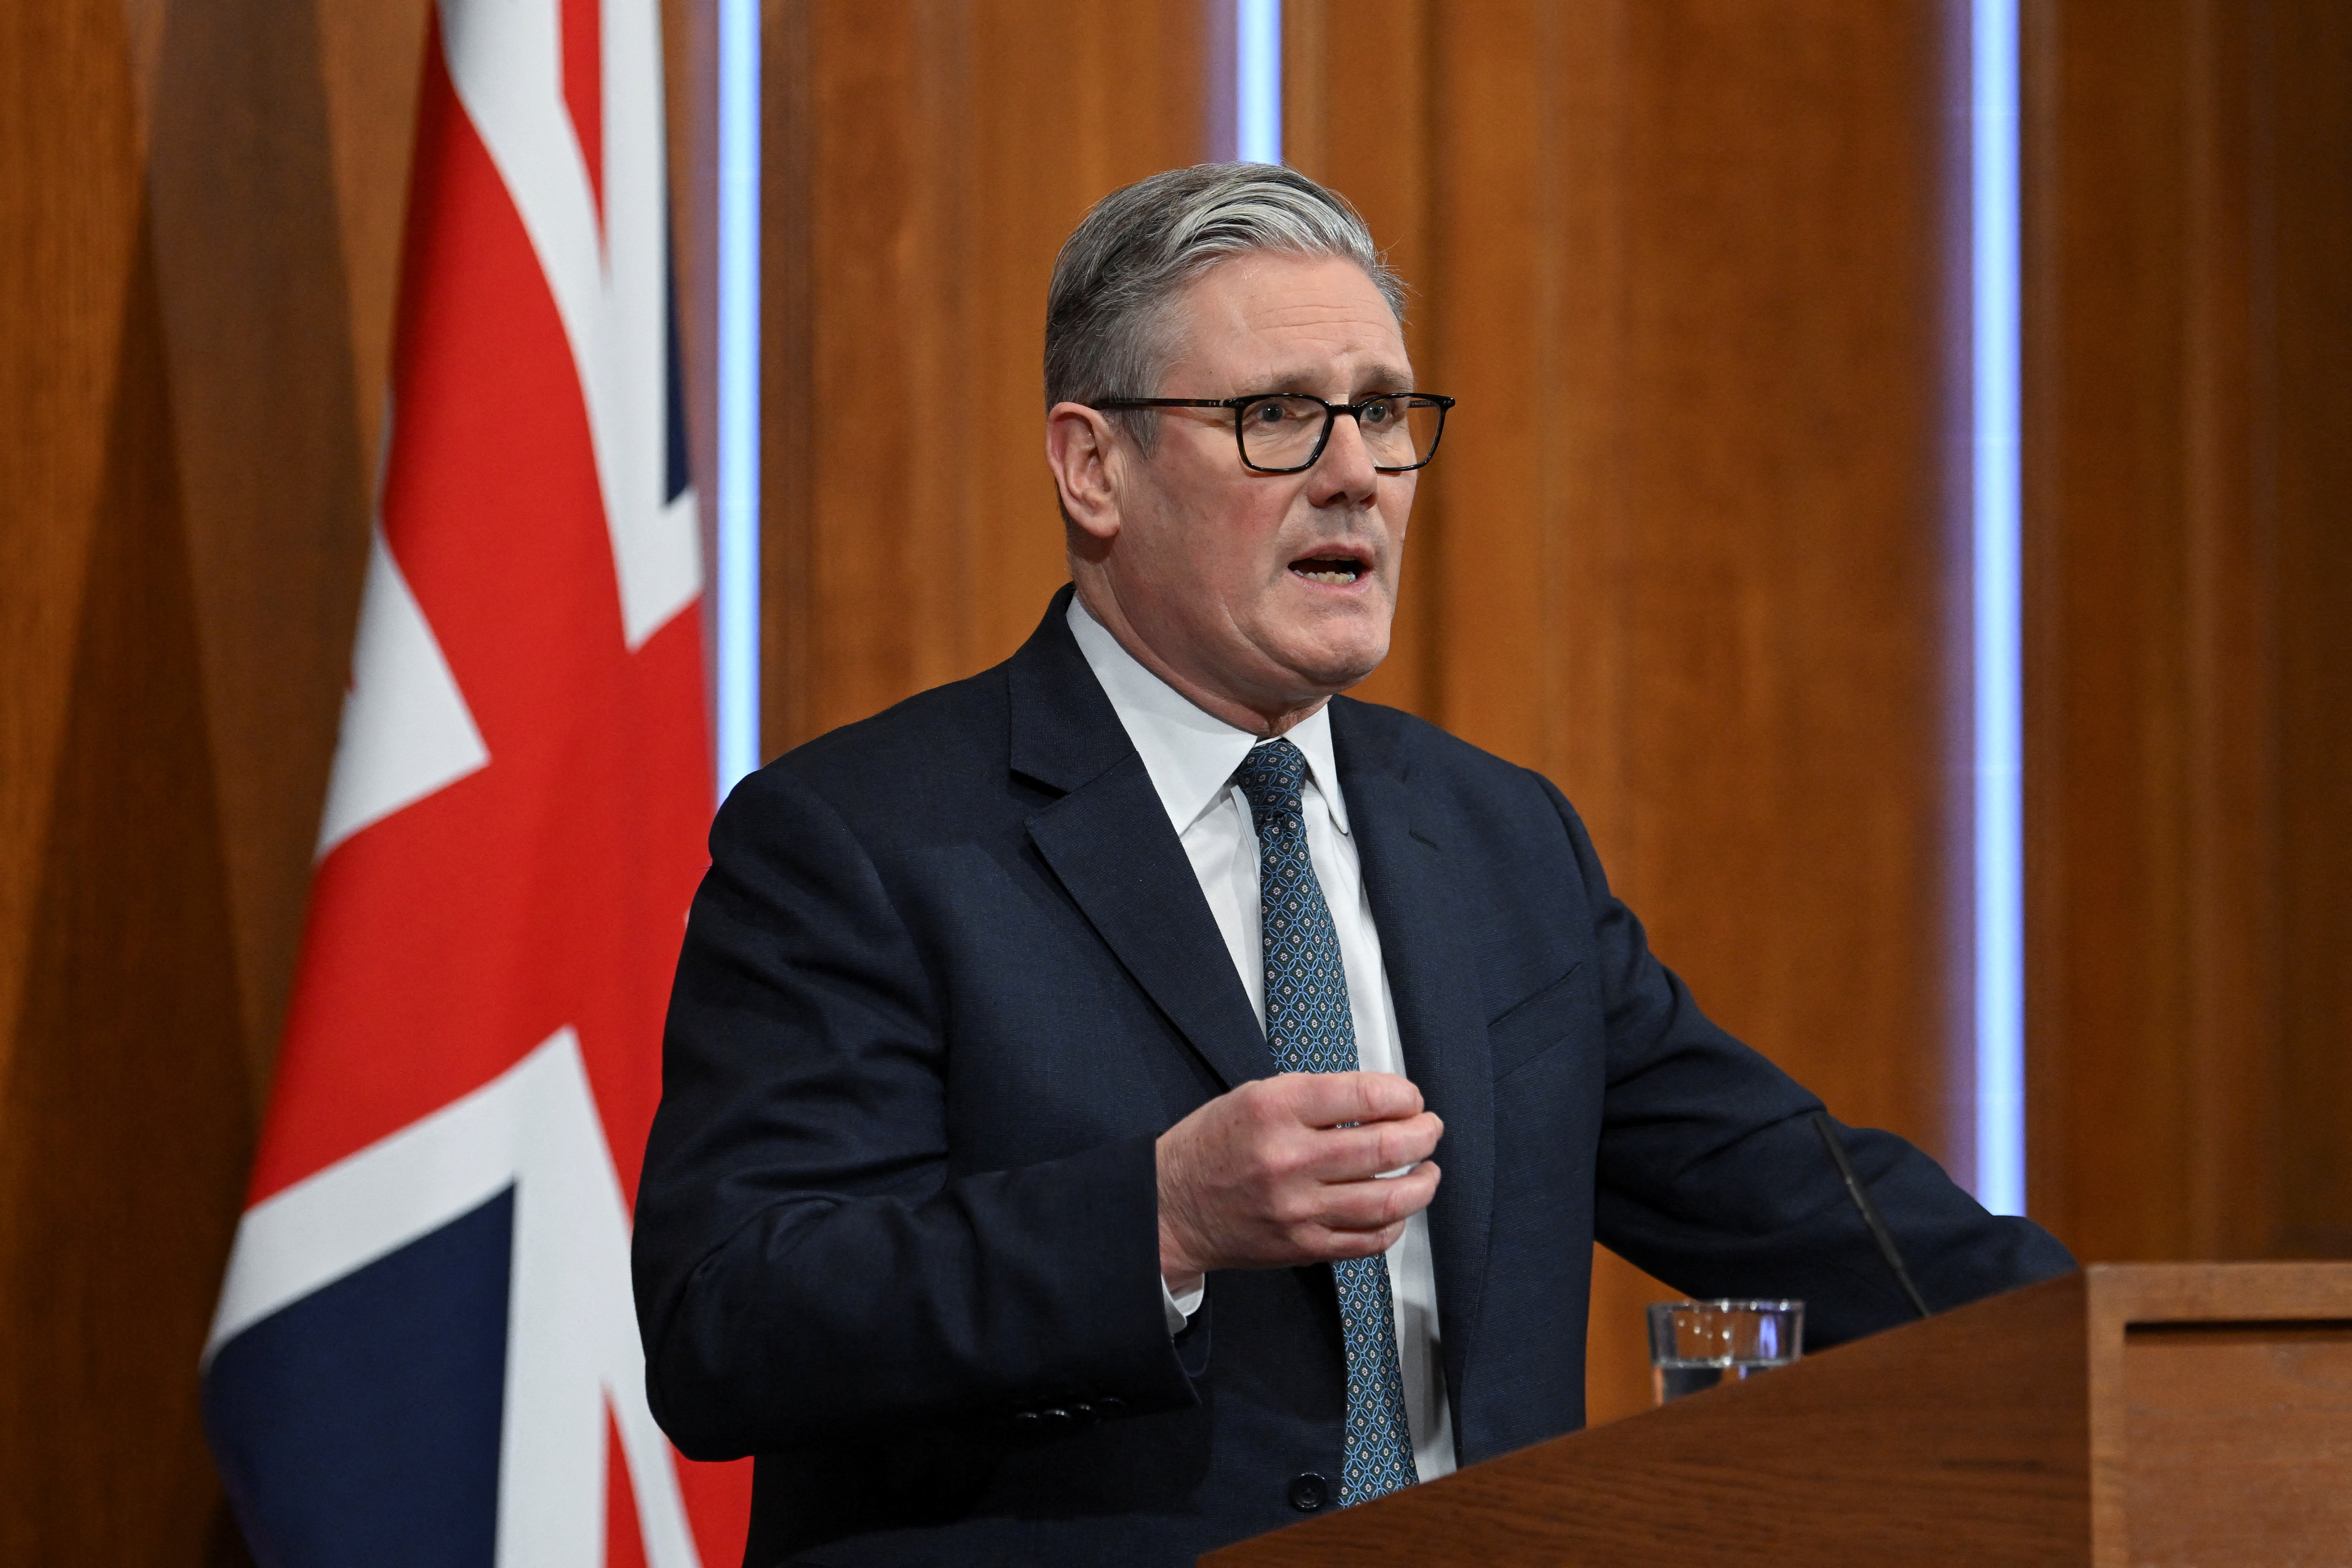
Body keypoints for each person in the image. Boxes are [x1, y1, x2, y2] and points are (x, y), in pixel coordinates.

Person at [631, 163, 2073, 1567]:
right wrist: (1157, 1220)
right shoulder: (862, 838)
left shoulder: (1501, 839)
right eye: (1275, 417)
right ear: (1094, 467)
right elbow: (728, 1323)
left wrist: (2124, 1336)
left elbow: (1785, 1200)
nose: (1355, 477)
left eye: (1382, 412)